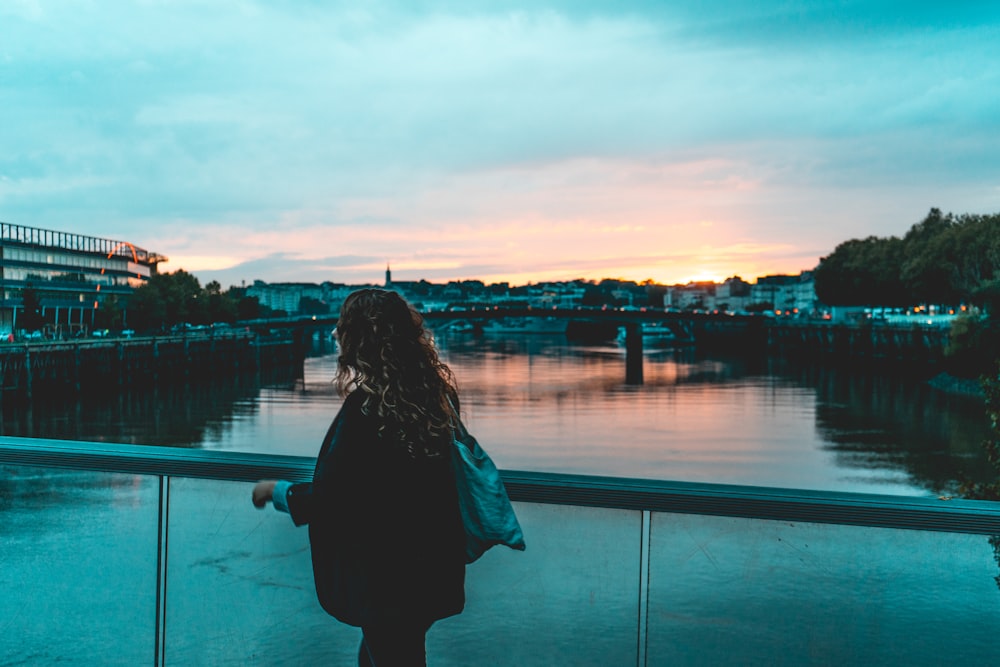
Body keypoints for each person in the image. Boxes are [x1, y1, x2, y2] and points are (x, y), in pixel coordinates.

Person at [252, 288, 466, 666]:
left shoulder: (367, 409)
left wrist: (277, 491)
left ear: (359, 339)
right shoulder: (435, 397)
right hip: (430, 564)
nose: (336, 334)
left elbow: (335, 498)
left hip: (386, 578)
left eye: (343, 328)